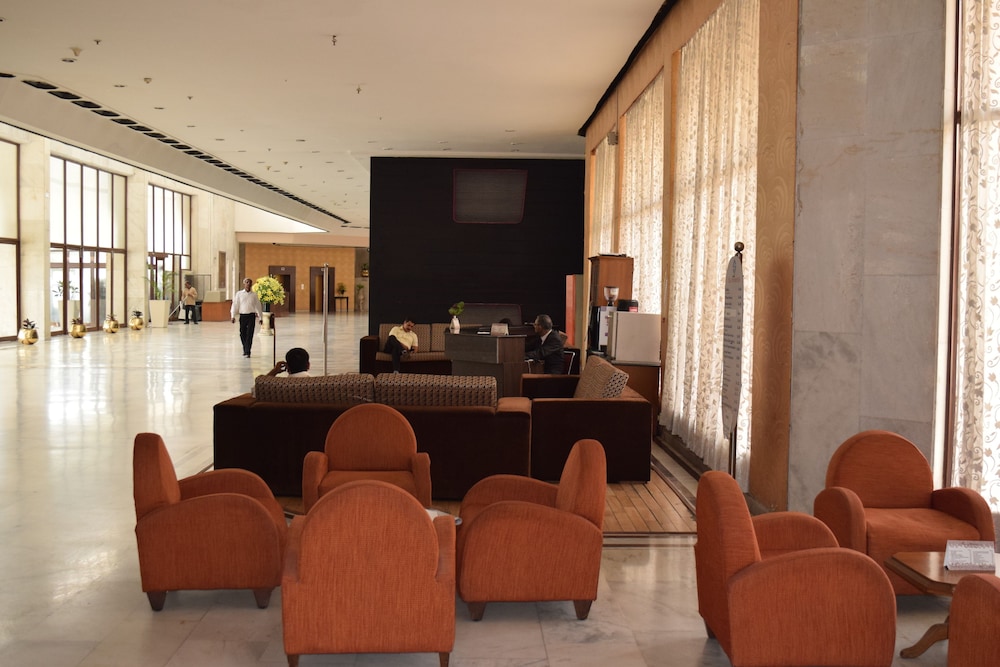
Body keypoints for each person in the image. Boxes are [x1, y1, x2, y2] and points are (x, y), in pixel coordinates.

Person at [231, 277, 262, 358]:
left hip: (251, 316)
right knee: (242, 333)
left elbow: (258, 306)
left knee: (250, 334)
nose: (248, 284)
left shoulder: (254, 295)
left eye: (249, 283)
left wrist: (260, 317)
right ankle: (245, 348)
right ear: (244, 284)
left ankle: (247, 351)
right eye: (246, 282)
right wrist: (233, 315)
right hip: (243, 316)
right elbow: (235, 304)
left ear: (251, 284)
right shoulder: (239, 294)